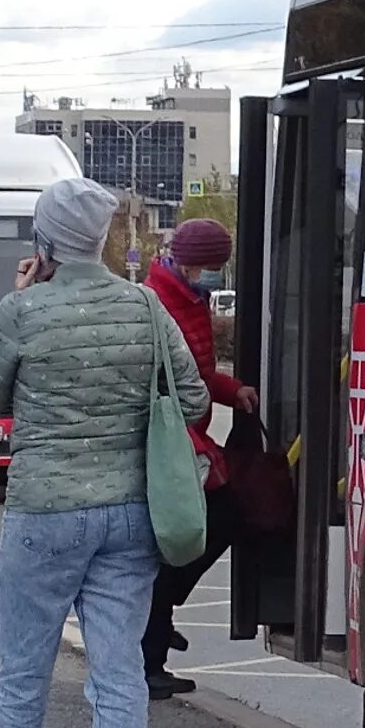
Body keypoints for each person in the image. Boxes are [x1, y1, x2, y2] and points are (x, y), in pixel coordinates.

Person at [0, 178, 205, 728]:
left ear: (46, 241)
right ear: (104, 237)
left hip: (44, 511)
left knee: (22, 676)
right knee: (119, 673)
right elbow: (188, 398)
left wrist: (22, 296)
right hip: (131, 514)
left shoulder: (23, 311)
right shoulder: (146, 307)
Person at [141, 218, 254, 699]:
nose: (215, 275)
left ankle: (158, 631)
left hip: (190, 433)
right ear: (193, 261)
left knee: (181, 540)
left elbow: (201, 371)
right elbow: (174, 376)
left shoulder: (190, 298)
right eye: (213, 266)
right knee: (201, 526)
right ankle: (152, 647)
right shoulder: (159, 301)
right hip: (174, 439)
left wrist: (232, 392)